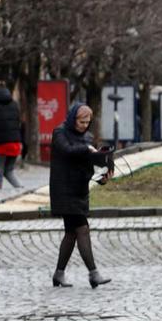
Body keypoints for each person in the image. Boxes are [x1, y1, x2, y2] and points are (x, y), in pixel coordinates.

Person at [49, 103, 115, 288]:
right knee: (82, 229)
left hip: (80, 190)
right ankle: (93, 274)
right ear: (73, 118)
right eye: (81, 121)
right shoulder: (60, 132)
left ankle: (58, 274)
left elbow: (90, 166)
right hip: (63, 190)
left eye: (87, 122)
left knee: (71, 233)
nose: (84, 125)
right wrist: (87, 149)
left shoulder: (88, 137)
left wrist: (102, 175)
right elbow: (67, 150)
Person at [0, 81, 24, 187]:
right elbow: (18, 121)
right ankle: (20, 189)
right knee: (9, 171)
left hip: (0, 142)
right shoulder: (13, 102)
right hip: (15, 142)